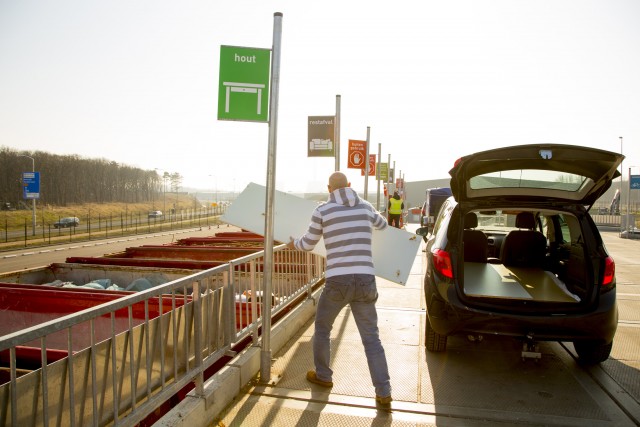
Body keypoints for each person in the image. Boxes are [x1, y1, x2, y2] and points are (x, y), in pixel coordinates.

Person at [286, 171, 392, 406]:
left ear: (329, 189)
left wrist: (293, 243)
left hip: (338, 280)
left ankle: (323, 376)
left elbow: (308, 243)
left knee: (323, 329)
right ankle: (383, 392)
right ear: (350, 186)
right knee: (372, 339)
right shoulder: (365, 207)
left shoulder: (322, 210)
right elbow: (383, 225)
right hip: (365, 279)